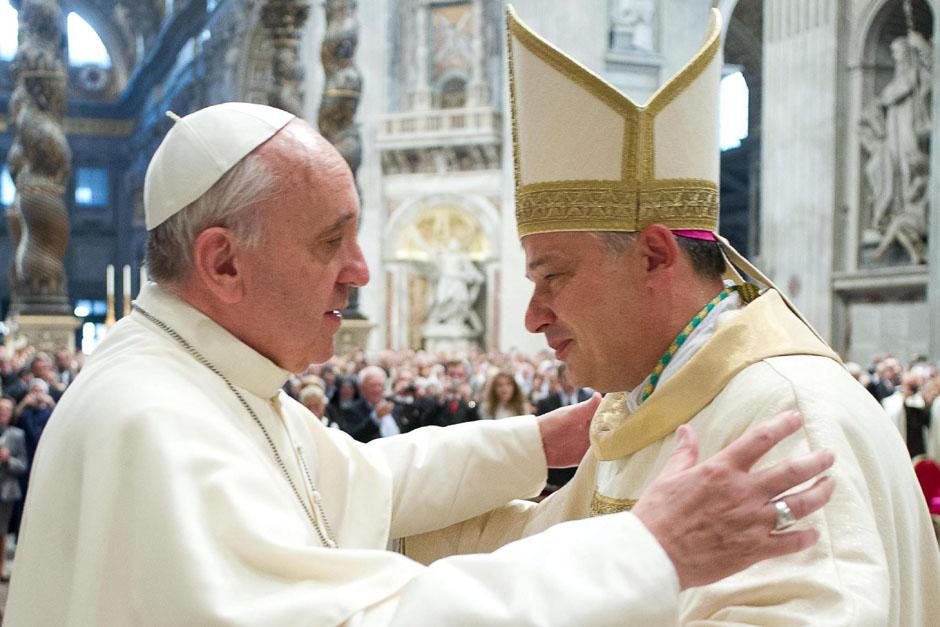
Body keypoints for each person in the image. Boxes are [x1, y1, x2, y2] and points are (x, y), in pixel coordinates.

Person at [7, 102, 835, 625]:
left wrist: (537, 441)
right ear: (223, 265)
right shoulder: (153, 418)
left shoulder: (207, 379)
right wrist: (652, 549)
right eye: (332, 241)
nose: (362, 270)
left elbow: (364, 480)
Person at [402, 7, 939, 624]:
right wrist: (360, 536)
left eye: (554, 276)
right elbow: (541, 549)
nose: (532, 317)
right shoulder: (644, 405)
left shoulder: (784, 417)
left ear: (655, 254)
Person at [0, 397, 26, 580]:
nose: (3, 413)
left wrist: (9, 459)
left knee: (2, 531)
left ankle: (1, 566)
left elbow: (23, 465)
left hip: (7, 491)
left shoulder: (17, 435)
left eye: (7, 410)